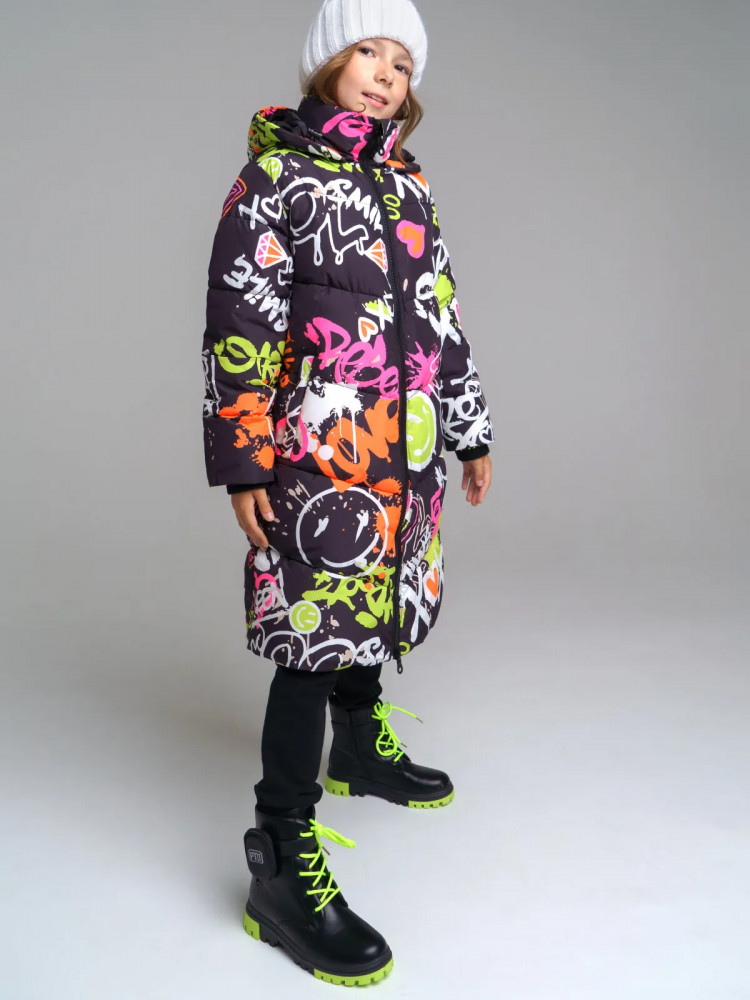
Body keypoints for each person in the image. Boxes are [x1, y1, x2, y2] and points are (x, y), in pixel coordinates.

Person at [201, 0, 494, 985]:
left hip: (402, 459)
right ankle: (281, 857)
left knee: (377, 602)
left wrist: (468, 426)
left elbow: (441, 315)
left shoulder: (409, 184)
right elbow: (239, 320)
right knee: (313, 632)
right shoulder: (276, 177)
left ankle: (358, 745)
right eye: (367, 50)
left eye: (402, 63)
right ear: (327, 62)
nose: (384, 74)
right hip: (319, 460)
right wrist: (244, 458)